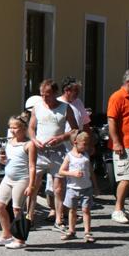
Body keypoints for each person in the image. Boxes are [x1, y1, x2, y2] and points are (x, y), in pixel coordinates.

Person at [28, 79, 79, 231]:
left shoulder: (65, 108)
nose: (45, 98)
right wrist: (34, 140)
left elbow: (75, 130)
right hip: (40, 151)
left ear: (56, 94)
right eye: (42, 95)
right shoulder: (37, 107)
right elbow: (31, 128)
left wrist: (61, 138)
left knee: (58, 187)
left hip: (58, 151)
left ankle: (59, 218)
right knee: (33, 184)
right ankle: (29, 216)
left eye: (48, 95)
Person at [0, 114, 36, 249]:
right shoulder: (9, 143)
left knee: (17, 209)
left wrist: (31, 185)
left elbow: (32, 166)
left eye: (15, 128)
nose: (12, 130)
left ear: (23, 128)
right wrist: (3, 160)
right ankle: (6, 235)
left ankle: (20, 239)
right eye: (10, 127)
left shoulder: (29, 145)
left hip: (22, 179)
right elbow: (7, 161)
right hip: (8, 179)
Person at [106, 69, 129, 223]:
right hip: (124, 145)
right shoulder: (117, 97)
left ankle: (121, 207)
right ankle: (117, 210)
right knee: (125, 178)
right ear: (128, 82)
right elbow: (111, 121)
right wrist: (116, 142)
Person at [59, 131, 95, 243]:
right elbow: (61, 171)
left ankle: (87, 232)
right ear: (75, 142)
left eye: (88, 144)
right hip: (72, 188)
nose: (86, 146)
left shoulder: (86, 155)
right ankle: (71, 231)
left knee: (86, 210)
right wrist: (73, 173)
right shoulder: (69, 156)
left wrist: (96, 185)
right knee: (72, 210)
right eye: (84, 144)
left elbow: (90, 171)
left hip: (87, 188)